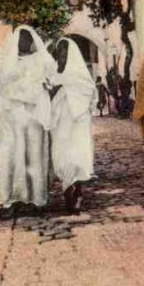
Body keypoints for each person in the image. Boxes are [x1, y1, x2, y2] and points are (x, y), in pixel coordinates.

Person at [0, 25, 56, 215]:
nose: (25, 42)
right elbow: (4, 87)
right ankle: (12, 199)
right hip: (13, 116)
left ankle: (37, 199)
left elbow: (51, 80)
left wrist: (37, 86)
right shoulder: (9, 63)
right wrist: (31, 86)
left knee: (35, 156)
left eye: (28, 38)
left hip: (35, 115)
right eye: (21, 38)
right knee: (13, 157)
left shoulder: (42, 60)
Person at [49, 37, 97, 214]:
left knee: (77, 159)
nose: (61, 57)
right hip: (60, 125)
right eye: (59, 53)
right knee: (62, 158)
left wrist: (67, 85)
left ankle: (76, 193)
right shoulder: (53, 75)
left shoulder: (80, 77)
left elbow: (91, 96)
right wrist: (56, 87)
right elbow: (47, 97)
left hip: (77, 125)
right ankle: (68, 191)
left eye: (64, 53)